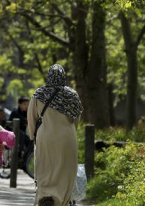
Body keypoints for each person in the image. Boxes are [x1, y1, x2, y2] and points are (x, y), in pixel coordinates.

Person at [28, 64, 83, 206]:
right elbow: (76, 119)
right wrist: (71, 130)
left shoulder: (39, 94)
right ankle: (61, 201)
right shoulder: (72, 95)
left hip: (45, 136)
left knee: (45, 167)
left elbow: (31, 117)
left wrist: (32, 136)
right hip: (67, 137)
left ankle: (45, 196)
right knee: (65, 169)